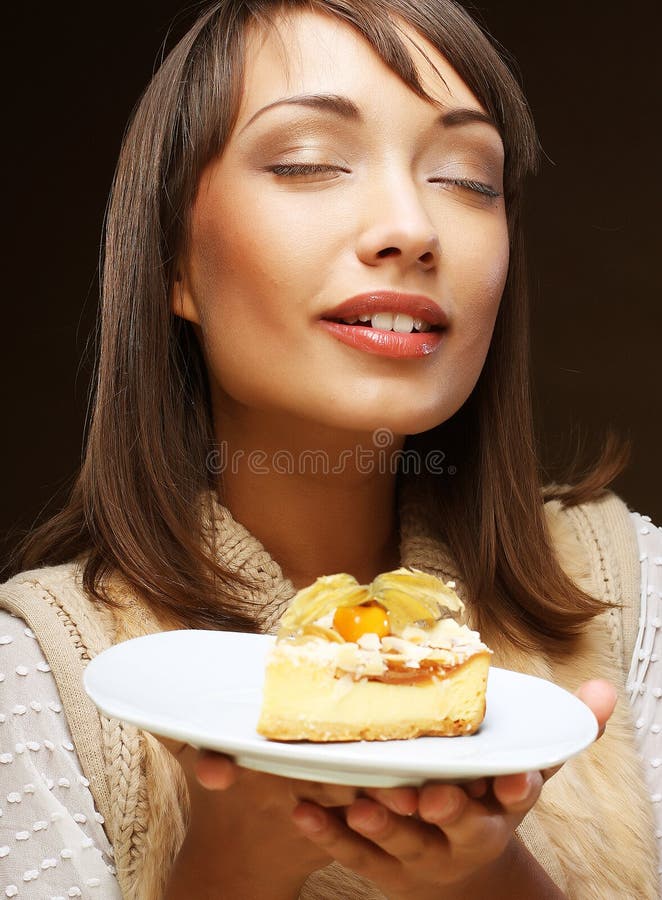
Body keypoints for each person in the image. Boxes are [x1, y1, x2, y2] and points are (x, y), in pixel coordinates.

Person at [1, 1, 660, 897]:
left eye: (466, 178)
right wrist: (233, 862)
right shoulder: (38, 671)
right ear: (173, 264)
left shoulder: (627, 587)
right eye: (309, 162)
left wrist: (487, 878)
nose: (412, 228)